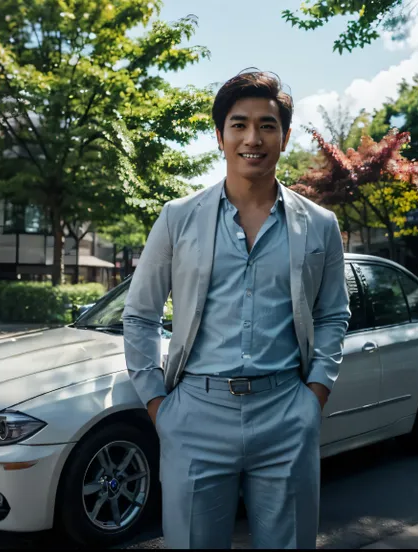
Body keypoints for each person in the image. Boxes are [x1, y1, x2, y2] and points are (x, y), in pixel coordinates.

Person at [122, 69, 351, 549]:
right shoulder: (177, 218)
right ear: (220, 136)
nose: (253, 138)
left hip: (287, 411)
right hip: (195, 415)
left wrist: (316, 395)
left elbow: (333, 314)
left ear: (285, 137)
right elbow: (141, 314)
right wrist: (159, 407)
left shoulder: (321, 225)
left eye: (268, 125)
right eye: (239, 124)